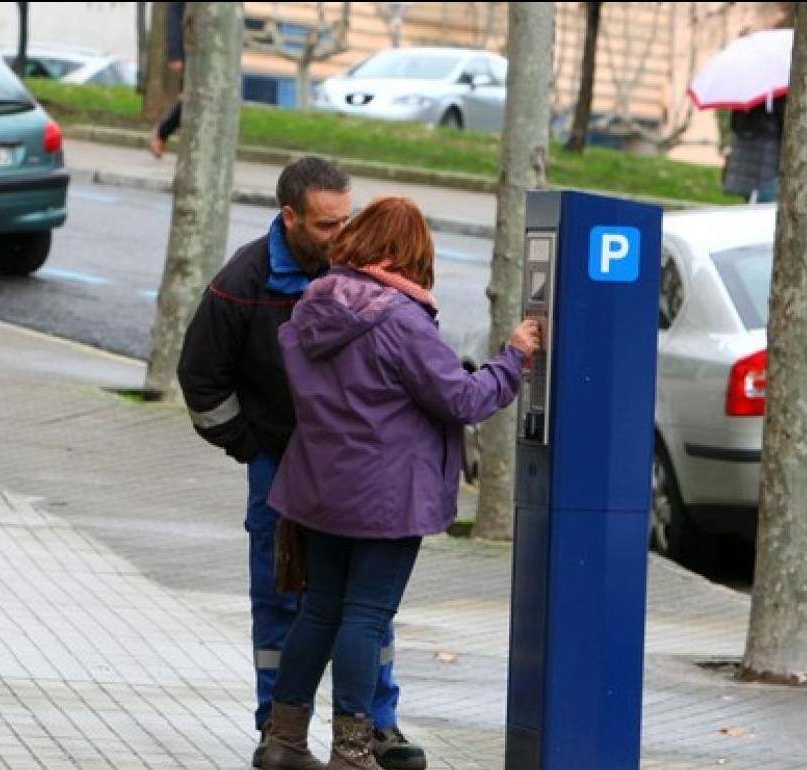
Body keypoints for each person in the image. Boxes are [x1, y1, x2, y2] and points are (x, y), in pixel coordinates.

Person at [260, 197, 542, 770]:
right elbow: (462, 399)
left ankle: (283, 742)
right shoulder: (400, 320)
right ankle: (353, 751)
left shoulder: (312, 305)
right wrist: (512, 358)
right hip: (383, 499)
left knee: (319, 612)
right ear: (403, 254)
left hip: (319, 488)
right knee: (365, 617)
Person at [176, 159, 428, 770]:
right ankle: (278, 731)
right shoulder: (245, 281)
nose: (340, 236)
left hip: (353, 473)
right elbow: (201, 381)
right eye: (324, 225)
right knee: (285, 599)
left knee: (364, 606)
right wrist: (254, 446)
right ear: (289, 217)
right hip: (283, 469)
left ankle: (376, 728)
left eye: (347, 220)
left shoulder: (358, 271)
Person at [150, 1, 187, 158]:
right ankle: (162, 133)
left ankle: (162, 133)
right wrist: (175, 53)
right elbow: (174, 15)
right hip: (193, 49)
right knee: (190, 99)